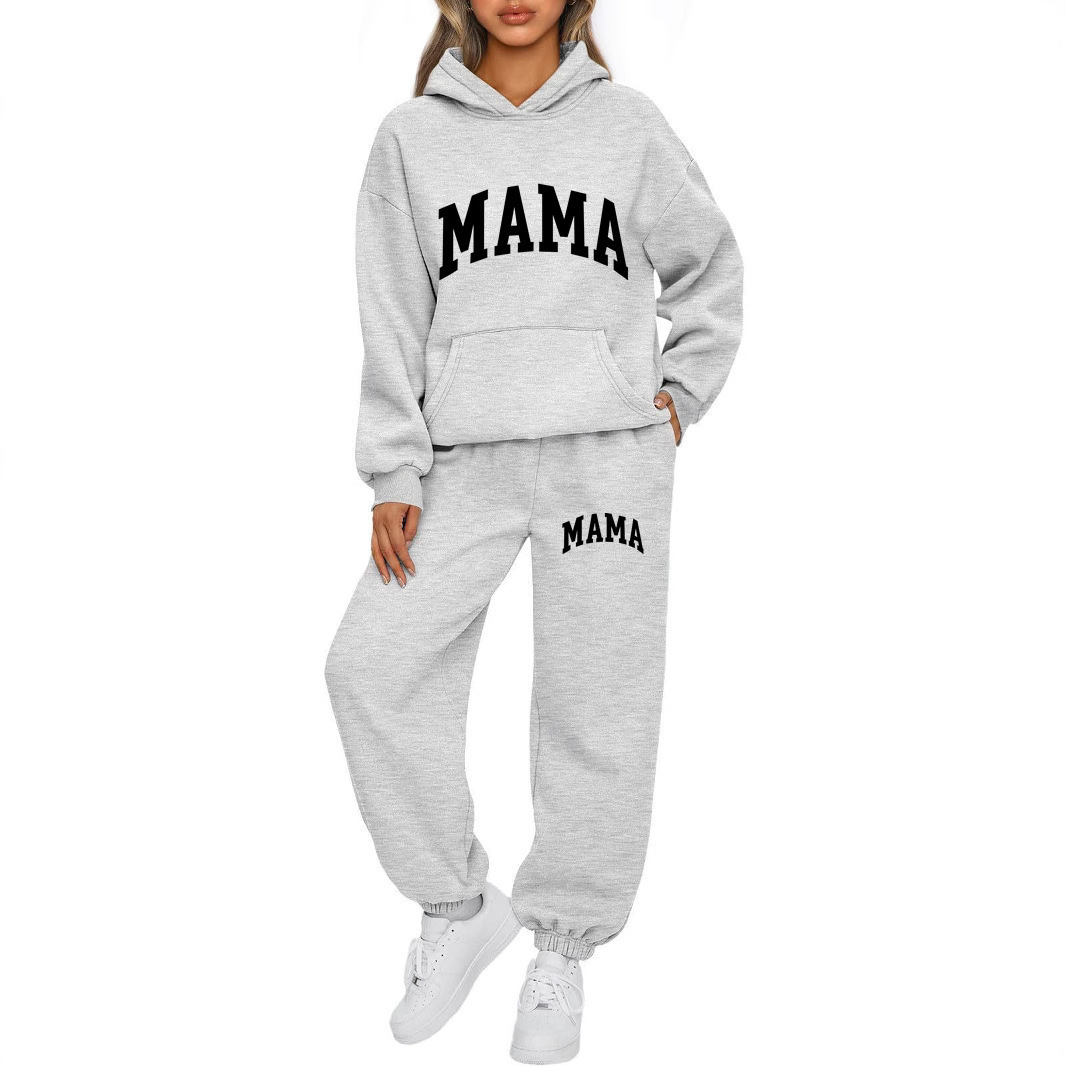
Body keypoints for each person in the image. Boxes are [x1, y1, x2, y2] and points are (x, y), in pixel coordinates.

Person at [325, 1, 743, 1060]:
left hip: (607, 453)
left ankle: (562, 947)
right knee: (371, 667)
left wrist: (679, 396)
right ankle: (457, 908)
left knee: (596, 698)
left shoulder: (628, 125)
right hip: (459, 460)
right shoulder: (411, 139)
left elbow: (710, 266)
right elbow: (390, 311)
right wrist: (393, 466)